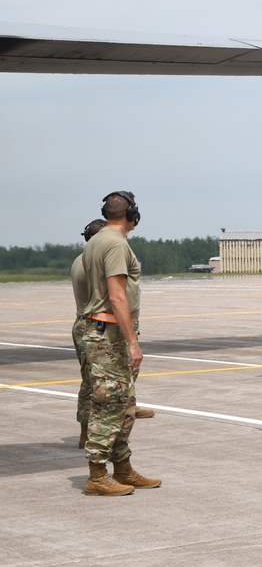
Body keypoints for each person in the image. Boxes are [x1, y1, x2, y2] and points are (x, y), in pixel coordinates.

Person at [80, 191, 160, 496]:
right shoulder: (113, 243)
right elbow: (116, 296)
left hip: (107, 333)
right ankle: (97, 476)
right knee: (109, 405)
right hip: (109, 336)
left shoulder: (99, 240)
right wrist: (132, 343)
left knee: (124, 405)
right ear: (131, 214)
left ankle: (122, 468)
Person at [71, 219, 155, 449]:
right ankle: (95, 430)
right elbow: (115, 296)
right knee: (99, 385)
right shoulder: (96, 261)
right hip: (102, 325)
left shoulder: (83, 258)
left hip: (90, 323)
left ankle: (93, 427)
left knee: (95, 382)